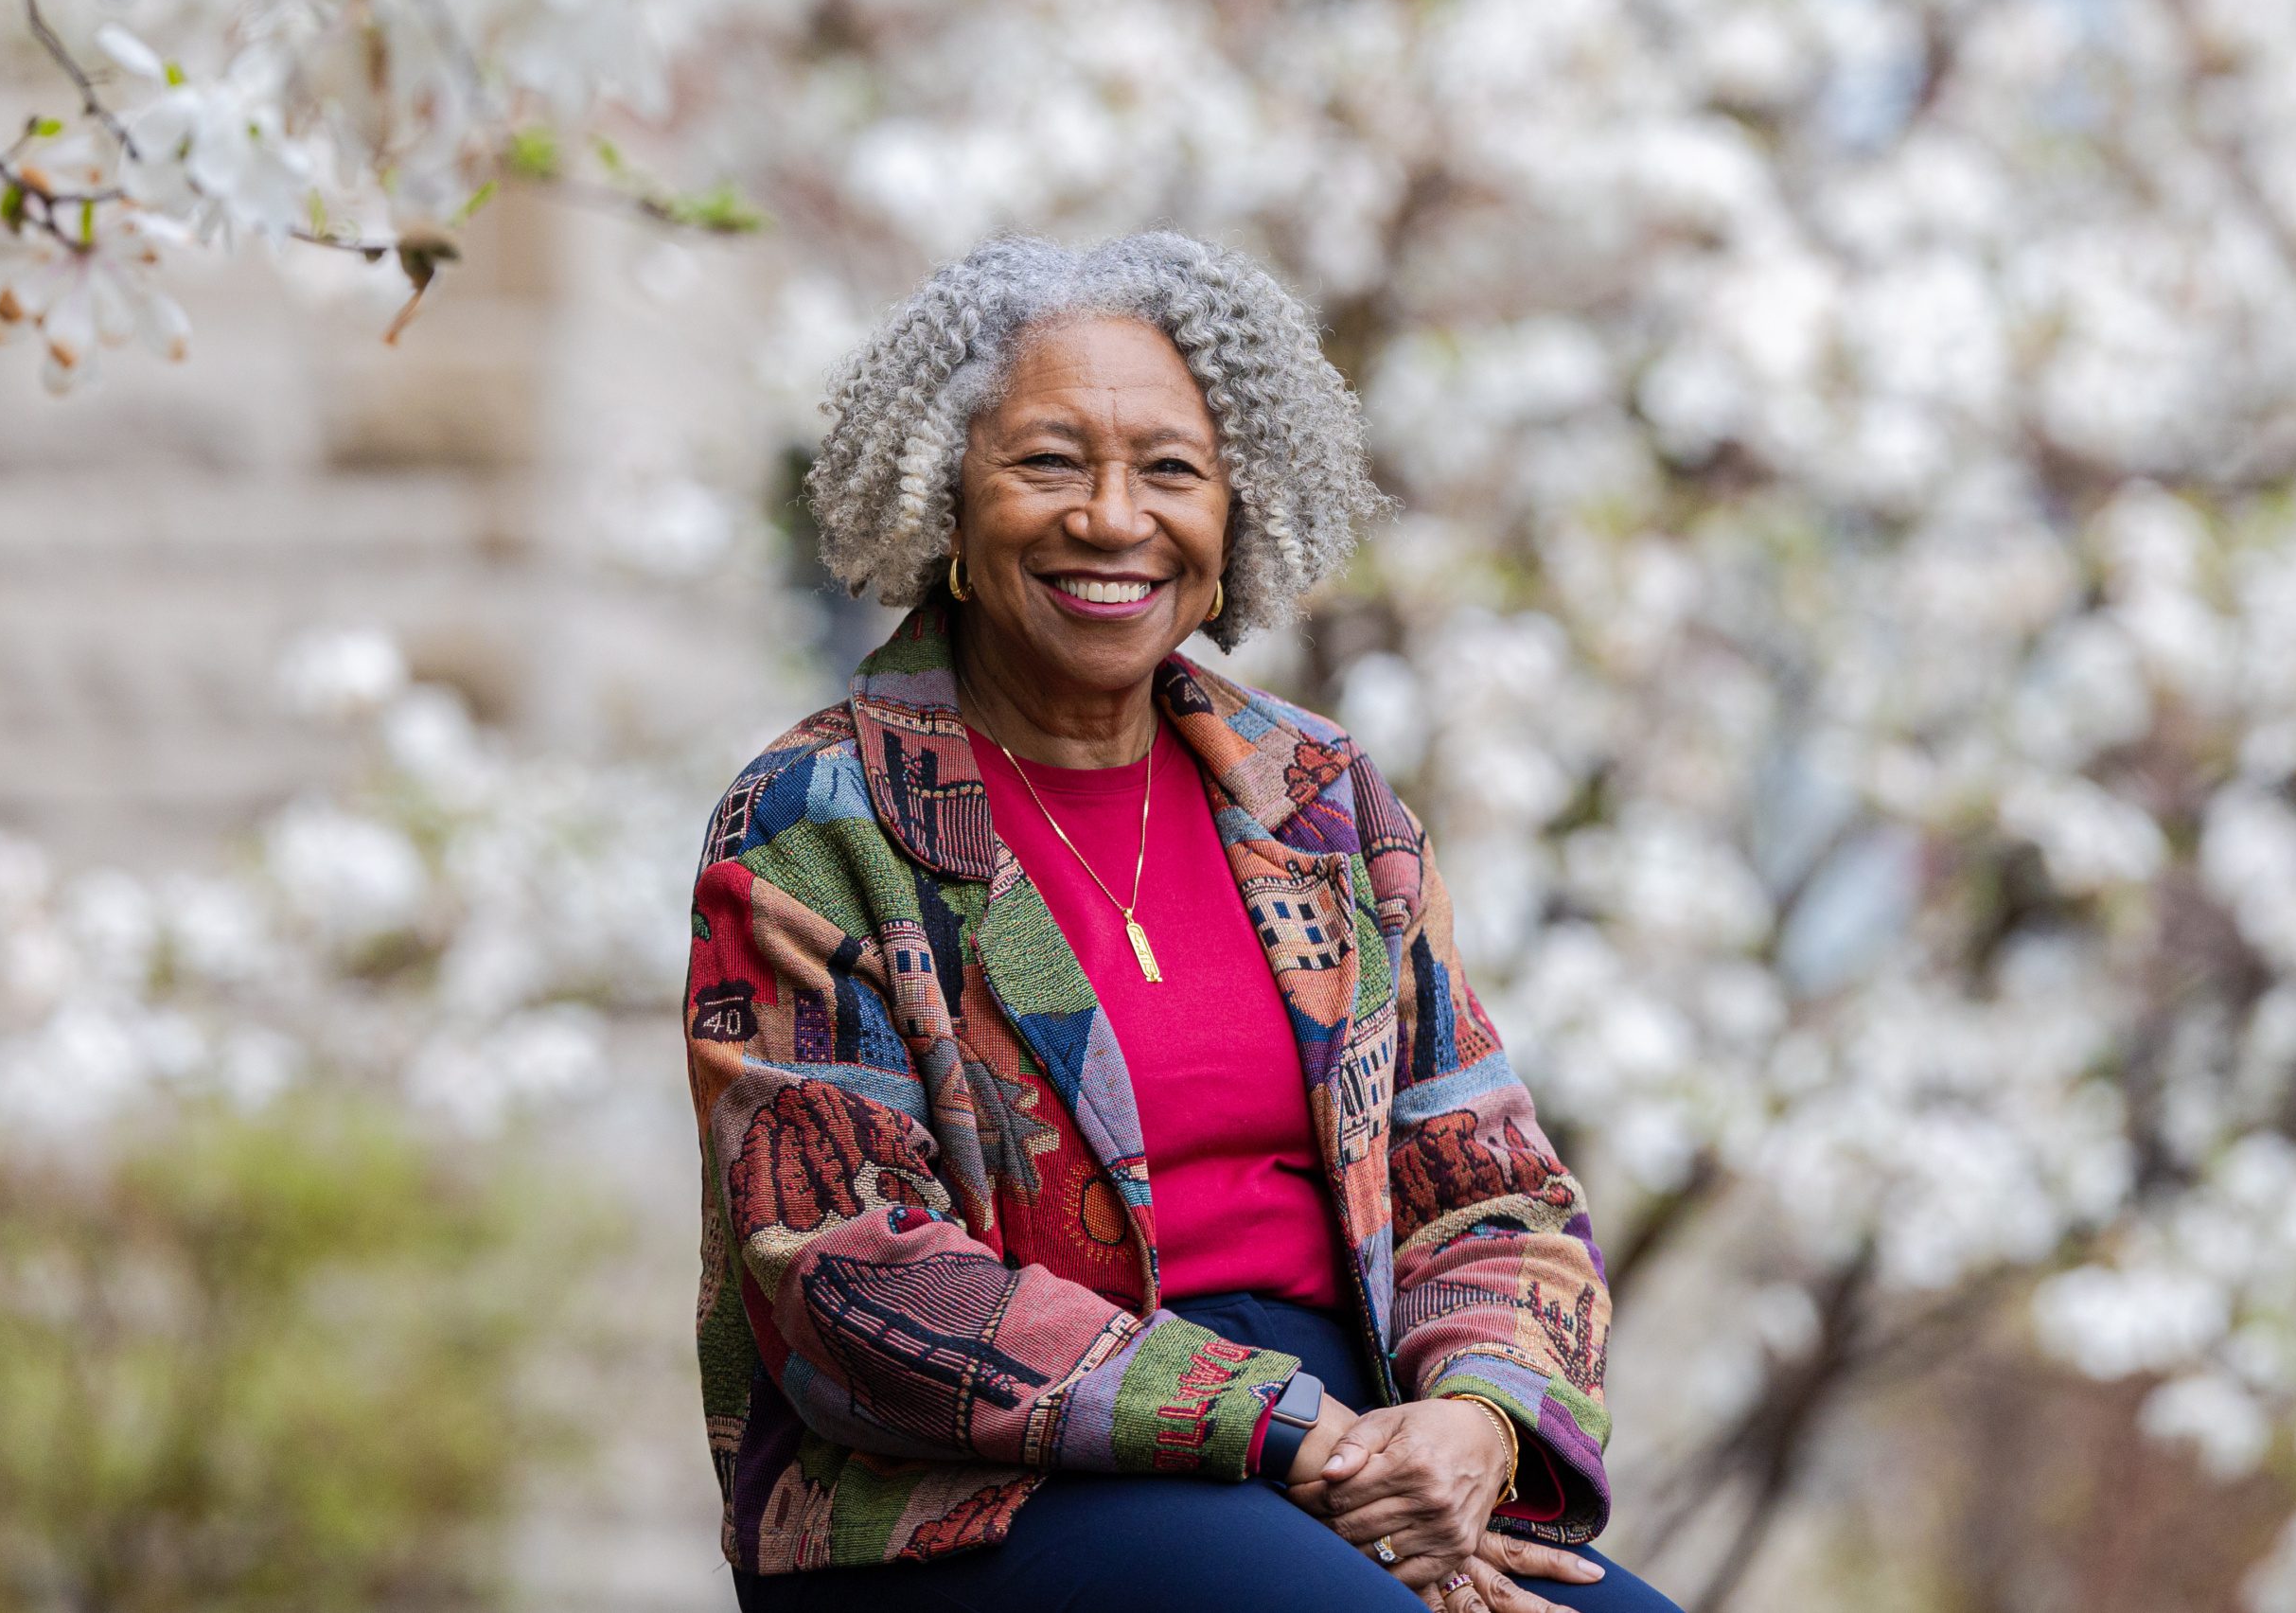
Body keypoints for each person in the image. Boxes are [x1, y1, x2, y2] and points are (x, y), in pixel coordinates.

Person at [680, 229, 1684, 1613]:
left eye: (1169, 469)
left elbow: (1491, 1183)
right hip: (971, 1493)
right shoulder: (816, 823)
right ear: (944, 506)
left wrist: (1466, 1429)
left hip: (1346, 1449)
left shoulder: (1322, 803)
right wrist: (1281, 1433)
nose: (1110, 518)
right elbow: (850, 1274)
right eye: (1045, 462)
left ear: (1237, 514)